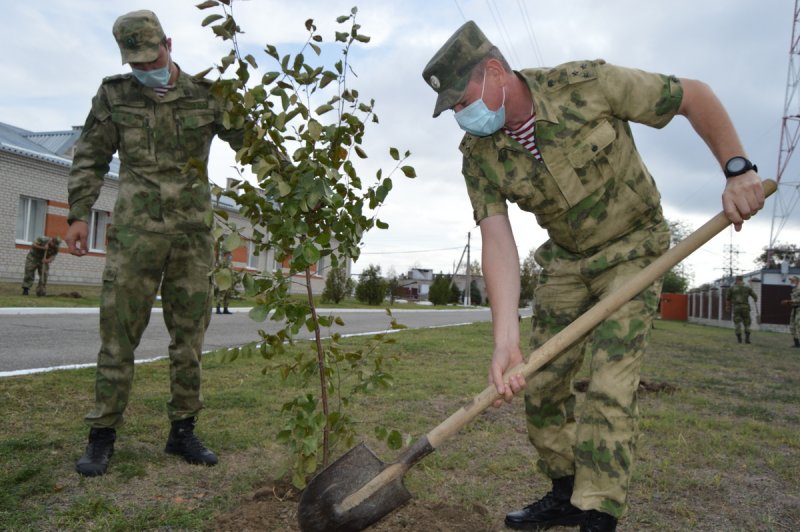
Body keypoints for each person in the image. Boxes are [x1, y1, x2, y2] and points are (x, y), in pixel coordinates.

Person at [422, 21, 764, 532]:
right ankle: (565, 490)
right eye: (450, 108)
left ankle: (597, 511)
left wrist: (737, 169)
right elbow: (497, 240)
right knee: (539, 383)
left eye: (460, 99)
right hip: (566, 261)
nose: (458, 113)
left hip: (634, 250)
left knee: (609, 384)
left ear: (495, 71)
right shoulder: (479, 156)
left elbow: (694, 95)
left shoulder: (586, 85)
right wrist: (505, 342)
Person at [66, 10, 245, 477]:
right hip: (135, 235)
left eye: (154, 58)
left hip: (191, 237)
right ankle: (102, 434)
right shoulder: (114, 95)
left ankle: (182, 430)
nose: (148, 70)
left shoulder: (208, 96)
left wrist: (292, 186)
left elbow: (254, 146)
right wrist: (78, 214)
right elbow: (89, 156)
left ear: (170, 43)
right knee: (117, 338)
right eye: (138, 64)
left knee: (189, 339)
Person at [726, 275, 758, 344]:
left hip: (736, 308)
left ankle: (739, 339)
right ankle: (747, 339)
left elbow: (728, 299)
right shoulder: (747, 288)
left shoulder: (732, 288)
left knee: (737, 323)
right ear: (742, 280)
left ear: (736, 280)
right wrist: (755, 299)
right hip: (745, 308)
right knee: (747, 323)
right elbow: (755, 296)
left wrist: (727, 307)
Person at [782, 275, 800, 347]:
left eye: (793, 280)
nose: (791, 281)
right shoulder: (794, 289)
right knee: (792, 326)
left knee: (798, 325)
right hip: (794, 309)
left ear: (797, 281)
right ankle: (796, 343)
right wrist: (789, 302)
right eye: (790, 280)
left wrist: (790, 301)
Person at [215, 250, 235, 315]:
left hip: (229, 282)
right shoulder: (221, 262)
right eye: (229, 254)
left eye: (230, 254)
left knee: (227, 296)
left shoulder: (230, 263)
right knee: (221, 295)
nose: (230, 255)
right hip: (223, 282)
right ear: (225, 254)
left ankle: (225, 309)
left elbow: (232, 272)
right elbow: (218, 270)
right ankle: (218, 309)